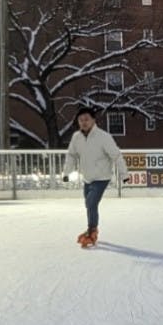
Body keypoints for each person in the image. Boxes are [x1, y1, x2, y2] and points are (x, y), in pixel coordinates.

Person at [62, 106, 126, 248]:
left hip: (102, 177)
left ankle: (92, 231)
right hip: (87, 177)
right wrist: (66, 172)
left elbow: (116, 155)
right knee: (89, 205)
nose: (83, 122)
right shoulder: (76, 137)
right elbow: (71, 155)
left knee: (91, 203)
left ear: (93, 120)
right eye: (80, 120)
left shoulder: (103, 137)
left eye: (86, 119)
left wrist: (124, 174)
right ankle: (91, 228)